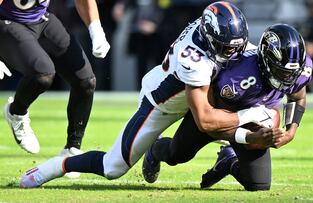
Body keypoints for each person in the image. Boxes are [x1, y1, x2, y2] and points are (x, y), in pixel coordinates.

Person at [19, 1, 279, 188]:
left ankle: (227, 154)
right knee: (113, 168)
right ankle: (57, 166)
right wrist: (251, 114)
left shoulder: (228, 40)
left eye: (237, 47)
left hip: (201, 98)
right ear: (209, 38)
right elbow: (206, 121)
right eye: (225, 48)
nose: (232, 54)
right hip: (163, 102)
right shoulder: (194, 57)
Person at [141, 24, 313, 191]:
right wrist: (252, 137)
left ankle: (228, 161)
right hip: (217, 116)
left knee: (259, 184)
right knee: (176, 155)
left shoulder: (298, 68)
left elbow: (298, 96)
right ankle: (155, 149)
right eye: (282, 72)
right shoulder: (237, 77)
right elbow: (210, 124)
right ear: (266, 60)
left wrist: (290, 132)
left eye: (292, 73)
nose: (288, 78)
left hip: (252, 119)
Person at [0, 0, 110, 160]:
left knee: (85, 81)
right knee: (43, 74)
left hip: (40, 19)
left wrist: (96, 30)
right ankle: (16, 112)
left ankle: (72, 148)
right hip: (7, 22)